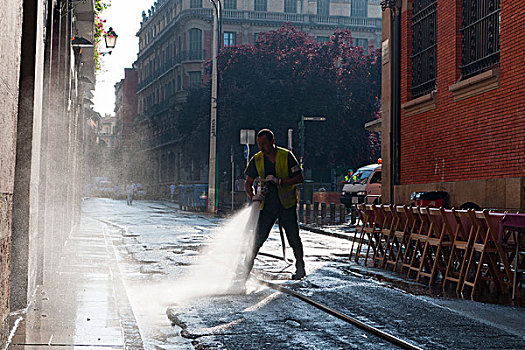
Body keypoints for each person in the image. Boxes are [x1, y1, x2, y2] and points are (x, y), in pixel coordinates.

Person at [243, 129, 306, 281]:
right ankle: (245, 271)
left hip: (286, 205)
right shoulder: (257, 159)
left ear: (272, 141)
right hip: (267, 207)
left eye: (264, 143)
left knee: (293, 237)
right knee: (257, 238)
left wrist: (280, 182)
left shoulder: (286, 156)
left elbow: (299, 178)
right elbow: (248, 182)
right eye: (259, 144)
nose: (261, 147)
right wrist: (254, 197)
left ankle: (300, 268)